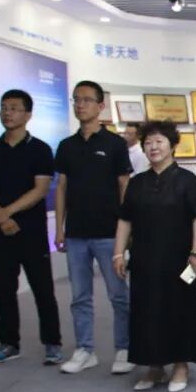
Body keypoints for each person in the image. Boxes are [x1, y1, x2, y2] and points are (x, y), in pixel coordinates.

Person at [112, 120, 196, 392]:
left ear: (172, 145)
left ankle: (180, 365)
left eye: (159, 142)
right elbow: (125, 220)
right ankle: (154, 366)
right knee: (146, 311)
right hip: (144, 259)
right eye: (148, 143)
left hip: (179, 259)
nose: (153, 147)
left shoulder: (187, 180)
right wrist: (118, 253)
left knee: (180, 310)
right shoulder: (137, 183)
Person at [0, 89, 63, 365]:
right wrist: (0, 217)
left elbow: (40, 190)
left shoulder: (40, 149)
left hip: (32, 231)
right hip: (0, 231)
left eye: (13, 108)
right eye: (3, 107)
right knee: (3, 291)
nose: (7, 113)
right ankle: (9, 343)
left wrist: (7, 212)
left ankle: (52, 342)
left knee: (42, 289)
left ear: (28, 115)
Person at [54, 80, 133, 375]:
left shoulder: (114, 144)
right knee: (79, 296)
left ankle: (125, 347)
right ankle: (85, 350)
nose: (80, 105)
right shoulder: (66, 146)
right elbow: (61, 188)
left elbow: (124, 186)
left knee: (118, 295)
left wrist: (126, 230)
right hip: (76, 233)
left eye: (87, 100)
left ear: (100, 106)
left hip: (109, 233)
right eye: (76, 99)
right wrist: (59, 228)